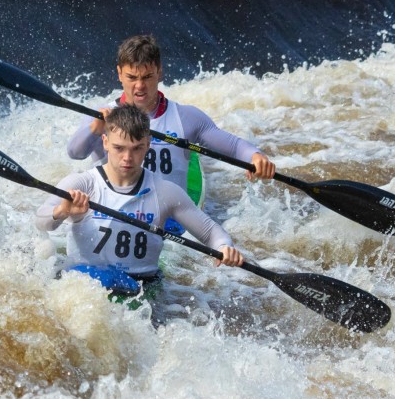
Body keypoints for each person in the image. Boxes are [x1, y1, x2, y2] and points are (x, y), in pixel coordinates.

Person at [36, 104, 244, 283]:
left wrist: (225, 247)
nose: (127, 157)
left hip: (142, 287)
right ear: (105, 143)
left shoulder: (165, 192)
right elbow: (41, 221)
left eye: (136, 149)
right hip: (85, 283)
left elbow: (210, 232)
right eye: (119, 148)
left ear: (147, 146)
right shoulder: (82, 183)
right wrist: (61, 211)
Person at [67, 34, 275, 208]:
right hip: (115, 212)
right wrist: (94, 130)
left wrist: (255, 156)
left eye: (147, 77)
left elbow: (234, 146)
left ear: (160, 72)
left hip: (169, 216)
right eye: (132, 77)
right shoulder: (101, 116)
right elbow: (75, 153)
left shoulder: (186, 118)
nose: (139, 86)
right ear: (119, 74)